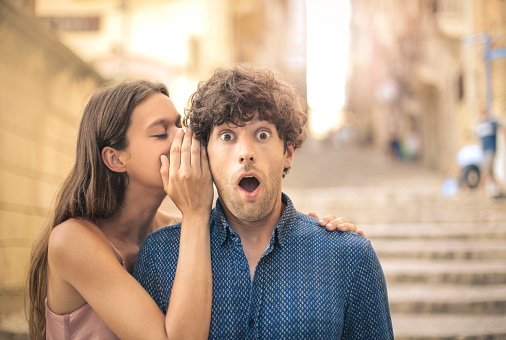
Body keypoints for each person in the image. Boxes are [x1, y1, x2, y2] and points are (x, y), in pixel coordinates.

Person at [27, 80, 361, 339]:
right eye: (161, 133)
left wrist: (318, 234)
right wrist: (197, 213)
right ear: (116, 159)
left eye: (180, 125)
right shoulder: (71, 241)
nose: (185, 138)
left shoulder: (175, 234)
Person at [134, 65, 394, 339]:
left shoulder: (350, 256)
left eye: (262, 135)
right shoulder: (158, 256)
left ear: (288, 152)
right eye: (227, 136)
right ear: (205, 154)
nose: (246, 153)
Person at [476, 107, 500, 196]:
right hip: (485, 150)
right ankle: (496, 189)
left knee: (486, 169)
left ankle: (480, 187)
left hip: (491, 149)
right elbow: (480, 138)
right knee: (490, 171)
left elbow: (501, 128)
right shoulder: (480, 124)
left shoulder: (492, 122)